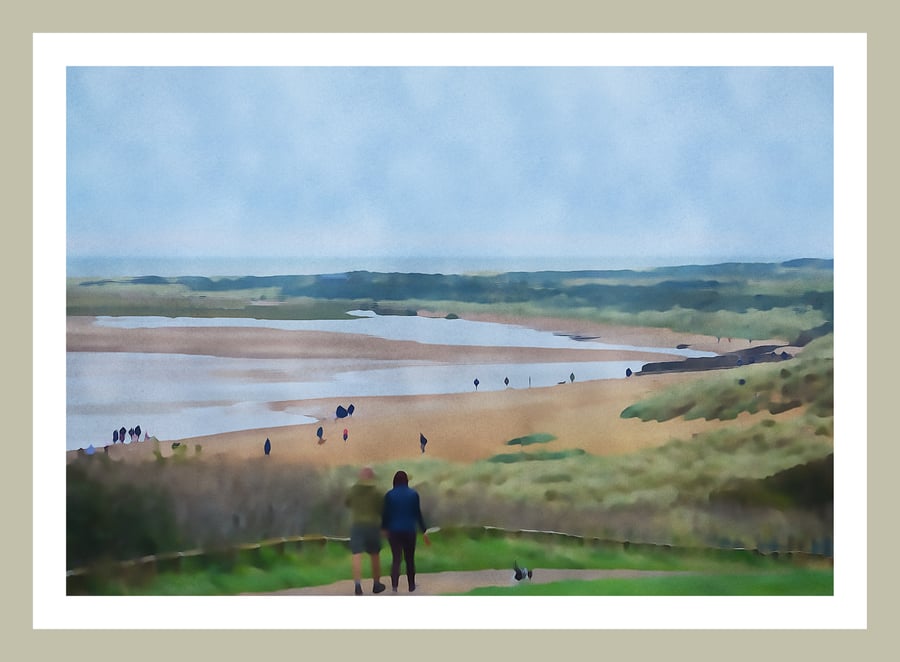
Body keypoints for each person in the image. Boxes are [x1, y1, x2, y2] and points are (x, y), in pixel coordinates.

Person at [381, 470, 431, 593]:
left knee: (396, 558)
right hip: (409, 530)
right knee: (410, 558)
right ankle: (411, 585)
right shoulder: (414, 494)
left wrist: (383, 528)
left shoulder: (389, 495)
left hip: (394, 531)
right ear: (406, 481)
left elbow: (385, 514)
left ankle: (394, 586)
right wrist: (424, 530)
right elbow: (417, 514)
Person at [344, 467, 387, 596]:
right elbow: (382, 509)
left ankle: (357, 585)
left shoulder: (352, 490)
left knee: (356, 554)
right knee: (375, 555)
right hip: (373, 525)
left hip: (357, 526)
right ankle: (376, 584)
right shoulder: (377, 492)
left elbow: (347, 503)